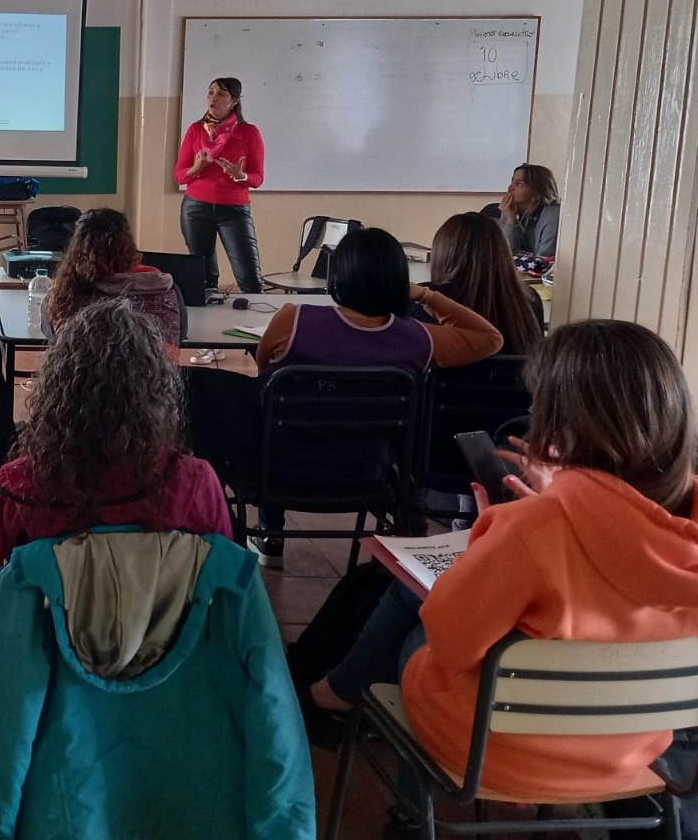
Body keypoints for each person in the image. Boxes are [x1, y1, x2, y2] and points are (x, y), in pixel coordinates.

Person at [309, 319, 698, 810]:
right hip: (630, 756)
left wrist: (496, 531)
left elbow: (452, 641)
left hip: (497, 752)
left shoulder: (531, 529)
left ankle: (408, 809)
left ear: (565, 422)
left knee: (419, 633)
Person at [246, 227, 504, 566]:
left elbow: (265, 373)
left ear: (336, 276)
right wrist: (425, 296)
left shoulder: (293, 320)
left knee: (277, 423)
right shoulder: (419, 339)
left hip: (279, 471)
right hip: (369, 474)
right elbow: (489, 338)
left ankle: (270, 534)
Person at [0, 297, 231, 605]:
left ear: (56, 388)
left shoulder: (19, 485)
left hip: (53, 647)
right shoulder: (196, 483)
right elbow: (223, 584)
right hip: (175, 647)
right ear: (157, 390)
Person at [175, 76, 266, 293]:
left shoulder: (249, 132)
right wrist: (197, 168)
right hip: (195, 208)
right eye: (210, 92)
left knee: (250, 279)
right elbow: (179, 176)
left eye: (221, 94)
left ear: (234, 101)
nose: (213, 98)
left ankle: (253, 326)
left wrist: (240, 175)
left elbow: (258, 178)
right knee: (203, 279)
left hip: (234, 211)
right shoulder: (196, 130)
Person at [44, 207, 180, 352]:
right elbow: (176, 339)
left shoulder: (64, 291)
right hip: (150, 372)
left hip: (81, 372)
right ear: (128, 243)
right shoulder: (160, 286)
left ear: (75, 245)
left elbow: (56, 341)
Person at [418, 211, 544, 355]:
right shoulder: (528, 299)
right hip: (515, 378)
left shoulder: (427, 300)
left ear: (442, 254)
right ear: (503, 252)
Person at [499, 162, 561, 258]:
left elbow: (543, 261)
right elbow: (504, 254)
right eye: (512, 182)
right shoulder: (510, 209)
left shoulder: (552, 216)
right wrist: (511, 220)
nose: (510, 188)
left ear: (536, 194)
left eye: (518, 184)